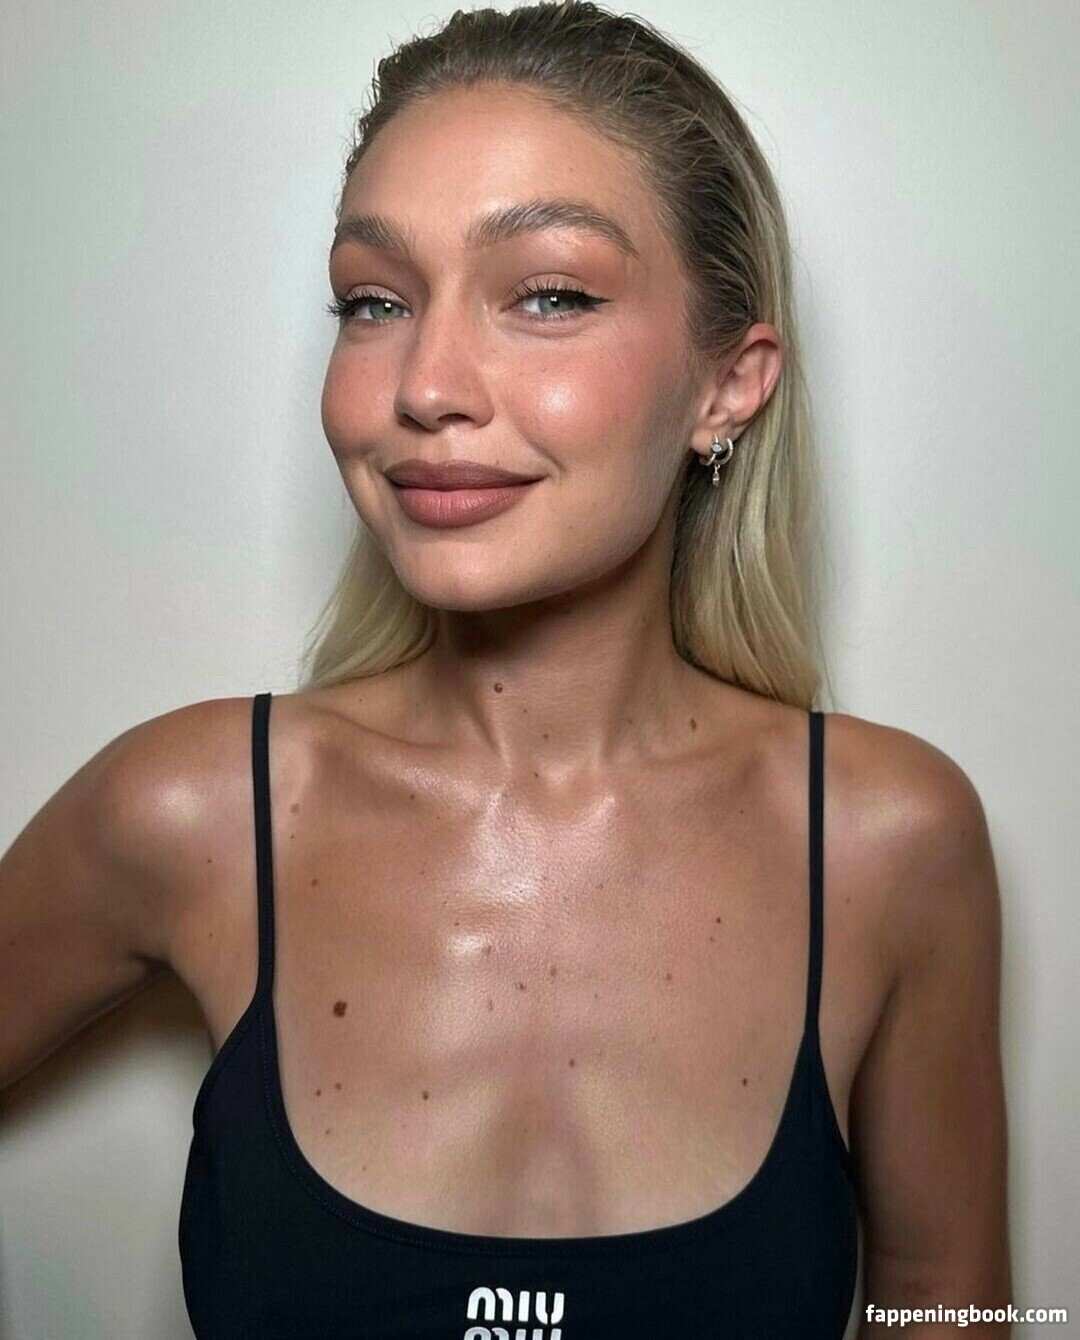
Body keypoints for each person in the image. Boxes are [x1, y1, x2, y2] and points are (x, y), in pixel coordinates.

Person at [0, 2, 1010, 1335]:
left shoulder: (888, 844)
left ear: (729, 383)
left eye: (549, 295)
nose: (426, 385)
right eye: (374, 300)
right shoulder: (191, 814)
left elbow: (948, 1306)